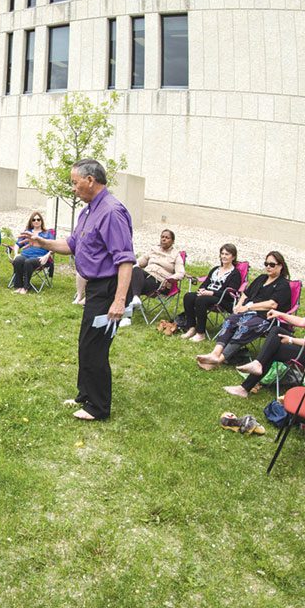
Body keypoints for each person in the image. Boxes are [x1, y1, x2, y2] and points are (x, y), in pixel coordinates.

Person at [23, 159, 135, 421]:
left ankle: (98, 408)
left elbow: (125, 260)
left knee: (95, 348)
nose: (73, 188)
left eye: (75, 182)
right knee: (86, 345)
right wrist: (43, 242)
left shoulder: (111, 212)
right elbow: (73, 244)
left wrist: (119, 301)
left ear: (90, 181)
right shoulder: (88, 212)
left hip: (109, 288)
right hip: (95, 289)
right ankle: (85, 395)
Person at [224, 276, 305, 397]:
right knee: (277, 330)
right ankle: (255, 368)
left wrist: (290, 340)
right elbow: (302, 322)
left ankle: (245, 386)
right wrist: (280, 314)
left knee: (275, 350)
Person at [196, 251, 293, 370]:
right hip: (248, 312)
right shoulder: (262, 278)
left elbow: (272, 304)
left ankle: (218, 361)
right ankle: (215, 353)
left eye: (272, 264)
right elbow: (246, 293)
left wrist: (248, 307)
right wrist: (238, 306)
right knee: (230, 321)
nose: (268, 267)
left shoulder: (283, 285)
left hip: (266, 317)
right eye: (266, 264)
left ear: (280, 266)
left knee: (244, 326)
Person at [179, 244, 242, 342]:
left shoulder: (235, 274)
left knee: (201, 300)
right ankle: (191, 327)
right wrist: (202, 290)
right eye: (222, 254)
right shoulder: (215, 269)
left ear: (233, 257)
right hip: (207, 295)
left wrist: (211, 293)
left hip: (223, 300)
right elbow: (205, 283)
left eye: (227, 254)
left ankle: (201, 333)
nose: (224, 256)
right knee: (188, 296)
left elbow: (229, 294)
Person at [122, 229, 186, 327]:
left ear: (173, 241)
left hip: (159, 283)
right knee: (135, 270)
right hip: (145, 277)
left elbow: (181, 273)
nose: (164, 239)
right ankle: (135, 298)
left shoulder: (176, 255)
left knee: (132, 282)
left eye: (167, 238)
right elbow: (139, 262)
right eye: (162, 237)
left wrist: (170, 279)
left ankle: (127, 316)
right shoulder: (154, 250)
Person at [11, 211, 52, 294]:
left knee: (28, 262)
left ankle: (26, 287)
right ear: (31, 221)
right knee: (18, 260)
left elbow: (53, 247)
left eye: (38, 219)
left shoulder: (47, 233)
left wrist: (46, 256)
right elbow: (17, 244)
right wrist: (16, 254)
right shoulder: (27, 232)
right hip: (25, 255)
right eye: (34, 220)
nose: (36, 221)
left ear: (41, 221)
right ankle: (18, 286)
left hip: (39, 257)